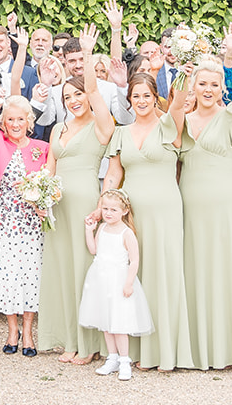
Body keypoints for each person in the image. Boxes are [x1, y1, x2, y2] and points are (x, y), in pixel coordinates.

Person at [172, 54, 232, 371]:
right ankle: (197, 349)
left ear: (222, 87)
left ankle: (231, 349)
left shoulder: (231, 117)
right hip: (192, 207)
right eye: (202, 83)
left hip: (229, 206)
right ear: (194, 86)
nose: (208, 89)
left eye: (214, 84)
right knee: (196, 272)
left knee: (228, 271)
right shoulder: (181, 120)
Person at [103, 72, 192, 371]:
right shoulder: (121, 133)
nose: (141, 101)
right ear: (129, 100)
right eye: (136, 96)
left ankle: (163, 350)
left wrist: (184, 74)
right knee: (131, 276)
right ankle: (133, 349)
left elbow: (179, 103)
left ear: (156, 97)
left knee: (162, 272)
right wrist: (103, 205)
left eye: (146, 95)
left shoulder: (169, 125)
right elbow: (114, 174)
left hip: (165, 210)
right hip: (131, 214)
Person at [0, 36, 49, 356]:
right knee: (7, 273)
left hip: (31, 220)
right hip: (4, 218)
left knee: (31, 274)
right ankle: (11, 332)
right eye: (11, 120)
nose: (15, 124)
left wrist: (44, 205)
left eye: (21, 119)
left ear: (29, 122)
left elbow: (48, 184)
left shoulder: (40, 149)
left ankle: (30, 334)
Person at [38, 74, 114, 365]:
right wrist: (40, 199)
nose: (74, 101)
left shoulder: (100, 125)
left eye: (78, 94)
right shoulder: (59, 127)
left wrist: (87, 58)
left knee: (84, 270)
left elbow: (96, 96)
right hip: (58, 204)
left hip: (84, 203)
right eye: (67, 97)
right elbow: (49, 167)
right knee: (62, 271)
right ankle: (69, 338)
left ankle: (90, 342)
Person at [80, 189, 154, 381]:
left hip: (119, 281)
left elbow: (134, 260)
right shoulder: (102, 228)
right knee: (106, 322)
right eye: (105, 208)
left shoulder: (126, 233)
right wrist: (89, 230)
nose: (108, 213)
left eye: (113, 209)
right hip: (101, 280)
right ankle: (111, 358)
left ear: (124, 211)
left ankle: (124, 361)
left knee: (119, 324)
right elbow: (94, 250)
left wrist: (129, 283)